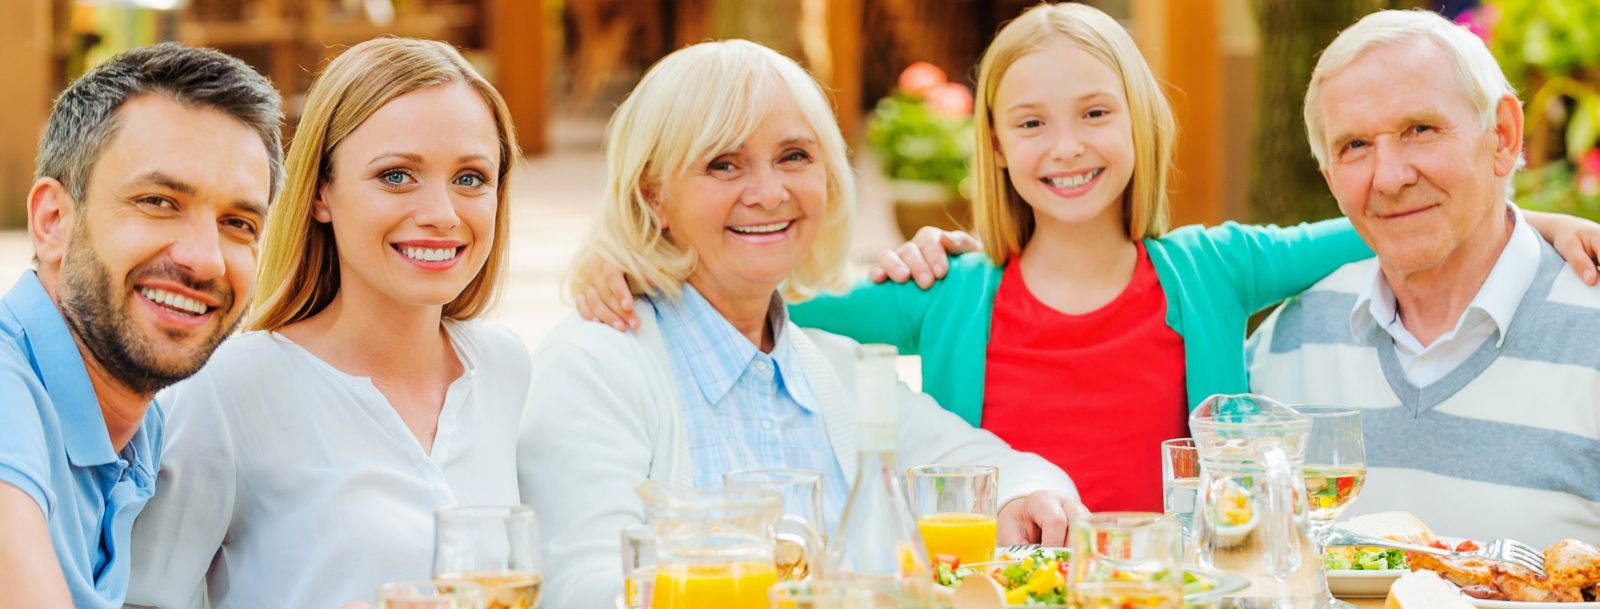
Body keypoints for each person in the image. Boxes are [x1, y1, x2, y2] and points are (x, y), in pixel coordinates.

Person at [580, 2, 1600, 514]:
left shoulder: (1218, 270)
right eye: (1030, 122)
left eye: (1094, 114)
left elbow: (1394, 213)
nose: (1065, 148)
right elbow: (766, 295)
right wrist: (626, 261)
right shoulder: (947, 292)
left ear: (1140, 125)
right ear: (994, 146)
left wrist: (1538, 217)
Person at [521, 39, 1082, 609]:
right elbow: (583, 590)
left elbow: (1000, 471)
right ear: (654, 196)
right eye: (723, 163)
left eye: (794, 156)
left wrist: (1027, 499)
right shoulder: (595, 366)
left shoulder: (830, 367)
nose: (769, 193)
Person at [125, 38, 529, 609]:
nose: (441, 214)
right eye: (396, 176)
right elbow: (141, 601)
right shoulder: (227, 386)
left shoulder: (505, 368)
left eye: (470, 179)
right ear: (320, 193)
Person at [1247, 9, 1600, 547]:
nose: (1388, 178)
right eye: (1355, 147)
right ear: (1330, 179)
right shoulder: (1289, 343)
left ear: (1502, 136)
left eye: (1420, 130)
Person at [0, 43, 280, 609]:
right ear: (53, 221)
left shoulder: (139, 425)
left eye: (237, 222)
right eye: (158, 201)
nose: (206, 259)